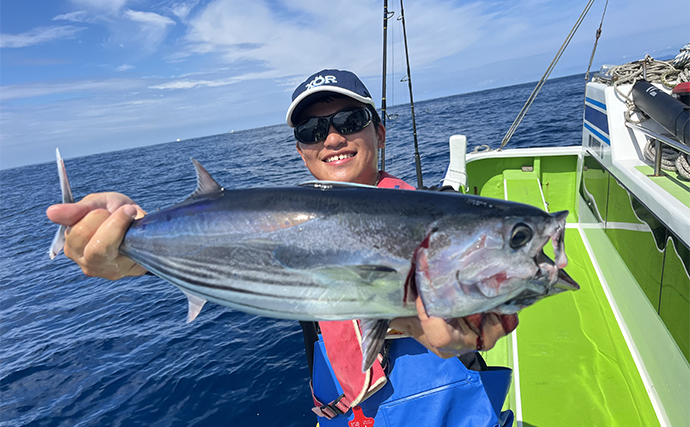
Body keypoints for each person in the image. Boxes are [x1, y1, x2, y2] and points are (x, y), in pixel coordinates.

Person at [46, 69, 516, 426]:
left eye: (350, 120)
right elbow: (228, 250)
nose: (332, 137)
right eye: (312, 131)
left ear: (380, 133)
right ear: (300, 151)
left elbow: (490, 261)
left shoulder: (442, 217)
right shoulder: (290, 222)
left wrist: (469, 315)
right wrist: (124, 240)